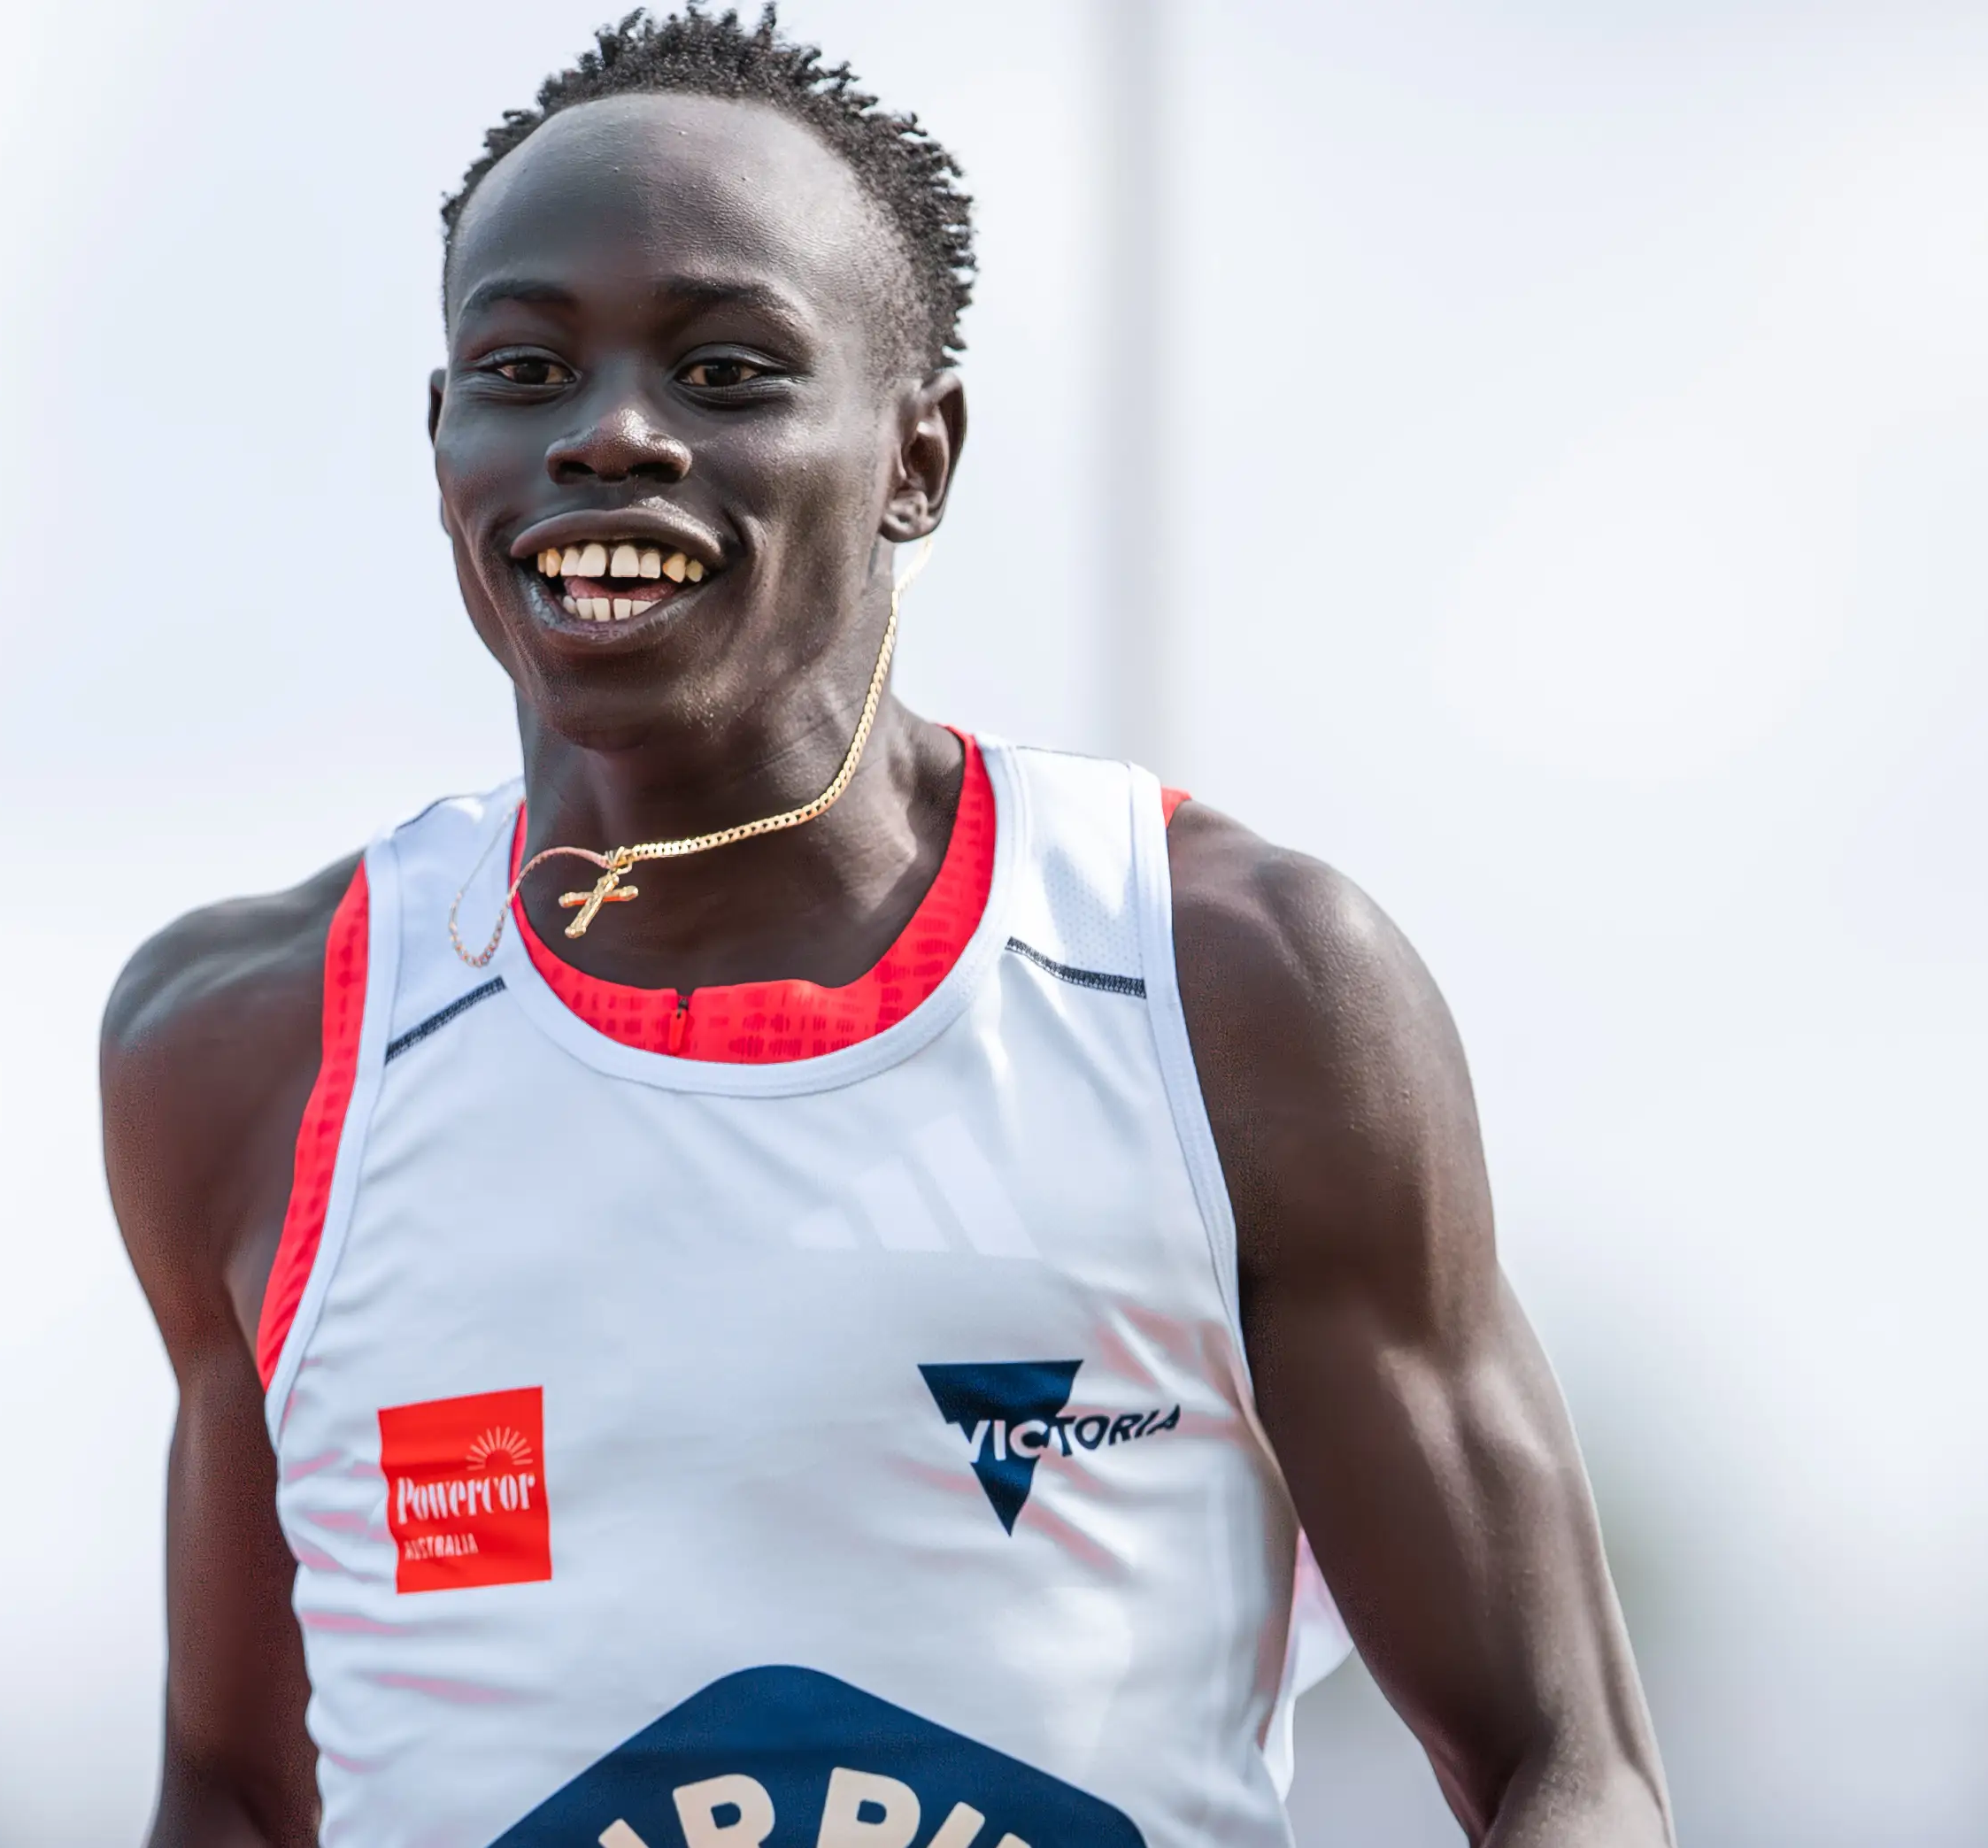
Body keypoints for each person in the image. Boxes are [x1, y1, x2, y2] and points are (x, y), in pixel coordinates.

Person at [103, 10, 1673, 1844]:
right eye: (520, 369)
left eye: (724, 370)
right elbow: (228, 1796)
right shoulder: (252, 1042)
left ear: (914, 459)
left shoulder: (1229, 986)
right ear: (440, 432)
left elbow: (1561, 1758)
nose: (608, 436)